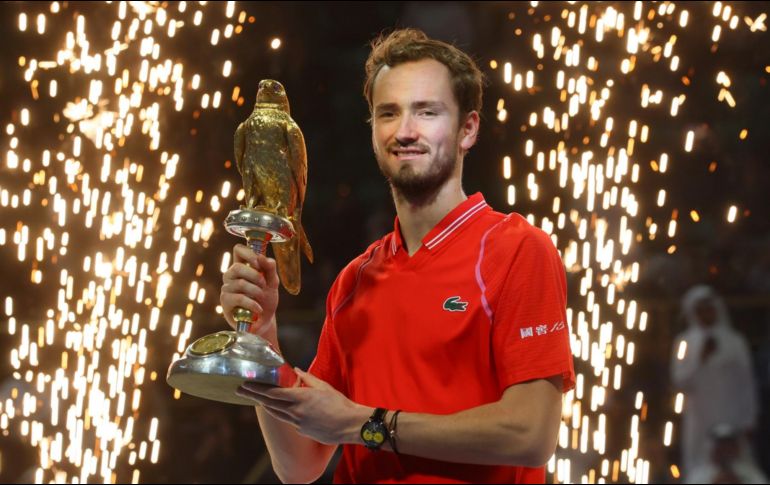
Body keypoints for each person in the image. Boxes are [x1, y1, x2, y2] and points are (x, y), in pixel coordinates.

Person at [221, 28, 575, 483]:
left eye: (427, 112)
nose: (405, 131)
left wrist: (364, 425)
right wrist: (264, 336)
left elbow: (531, 434)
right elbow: (299, 466)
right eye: (388, 113)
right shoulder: (354, 281)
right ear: (372, 130)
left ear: (468, 129)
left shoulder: (517, 249)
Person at [671, 285, 759, 482]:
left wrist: (749, 417)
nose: (705, 314)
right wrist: (699, 360)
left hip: (731, 414)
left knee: (738, 465)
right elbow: (680, 381)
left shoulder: (736, 342)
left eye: (708, 308)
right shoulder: (684, 343)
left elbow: (746, 383)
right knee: (698, 465)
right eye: (700, 310)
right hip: (699, 418)